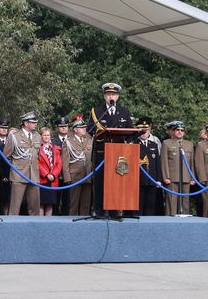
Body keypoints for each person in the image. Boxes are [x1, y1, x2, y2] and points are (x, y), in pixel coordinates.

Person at [87, 83, 133, 216]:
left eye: (113, 94)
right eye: (108, 94)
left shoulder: (124, 111)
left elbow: (130, 130)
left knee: (116, 182)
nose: (111, 96)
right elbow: (91, 129)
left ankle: (114, 211)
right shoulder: (96, 111)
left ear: (117, 97)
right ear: (104, 96)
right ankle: (99, 211)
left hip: (118, 153)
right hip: (101, 152)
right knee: (100, 182)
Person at [5, 112, 41, 216]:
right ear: (26, 123)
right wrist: (16, 166)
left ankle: (34, 227)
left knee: (34, 206)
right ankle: (12, 226)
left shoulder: (37, 136)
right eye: (33, 122)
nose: (35, 124)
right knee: (15, 206)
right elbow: (6, 155)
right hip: (18, 174)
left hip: (33, 174)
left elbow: (36, 154)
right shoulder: (14, 137)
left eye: (35, 122)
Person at [160, 121, 195, 215]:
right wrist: (166, 177)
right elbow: (164, 161)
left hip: (186, 177)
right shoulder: (166, 143)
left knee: (185, 201)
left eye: (182, 130)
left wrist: (192, 177)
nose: (180, 132)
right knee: (172, 201)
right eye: (177, 130)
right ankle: (170, 220)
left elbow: (192, 162)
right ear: (173, 131)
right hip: (172, 177)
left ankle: (185, 220)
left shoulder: (189, 144)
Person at [61, 116, 93, 216]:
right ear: (75, 129)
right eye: (82, 127)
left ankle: (84, 225)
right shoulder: (68, 142)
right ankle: (72, 224)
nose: (84, 129)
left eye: (84, 127)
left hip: (88, 175)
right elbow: (65, 162)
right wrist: (67, 178)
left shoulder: (89, 140)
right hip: (75, 176)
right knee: (74, 204)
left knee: (86, 204)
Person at [132, 118, 161, 216]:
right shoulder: (133, 144)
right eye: (142, 130)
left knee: (150, 207)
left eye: (147, 130)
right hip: (138, 180)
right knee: (138, 207)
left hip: (151, 180)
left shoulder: (154, 144)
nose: (145, 132)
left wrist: (158, 179)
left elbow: (157, 163)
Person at [38, 127, 62, 216]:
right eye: (44, 135)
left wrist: (53, 174)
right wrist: (46, 174)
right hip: (42, 179)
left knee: (50, 203)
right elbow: (36, 163)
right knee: (41, 203)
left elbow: (59, 163)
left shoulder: (55, 148)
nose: (46, 137)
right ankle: (40, 222)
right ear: (40, 136)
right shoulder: (37, 147)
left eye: (48, 135)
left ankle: (48, 222)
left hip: (53, 179)